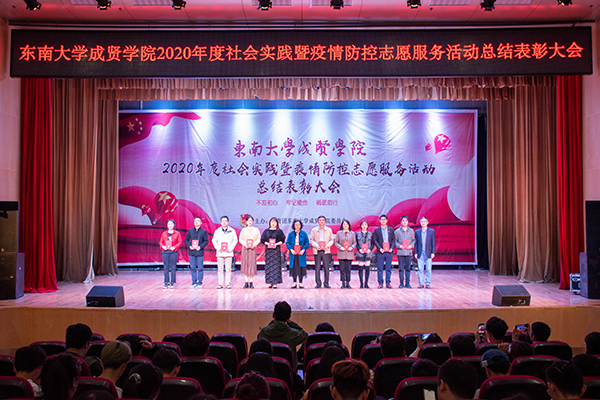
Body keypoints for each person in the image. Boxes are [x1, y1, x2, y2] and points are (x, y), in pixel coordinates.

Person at [258, 301, 308, 369]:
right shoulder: (294, 334)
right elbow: (304, 334)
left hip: (269, 369)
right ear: (289, 316)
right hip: (289, 371)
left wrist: (272, 322)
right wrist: (290, 322)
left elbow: (259, 337)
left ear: (273, 314)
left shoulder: (264, 332)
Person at [212, 215, 238, 289]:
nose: (224, 222)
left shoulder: (232, 231)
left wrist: (230, 248)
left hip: (228, 253)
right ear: (220, 222)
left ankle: (228, 283)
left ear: (228, 222)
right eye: (222, 221)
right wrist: (218, 248)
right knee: (220, 269)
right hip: (220, 253)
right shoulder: (217, 231)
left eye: (225, 221)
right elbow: (214, 240)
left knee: (228, 269)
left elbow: (235, 240)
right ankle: (220, 284)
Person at [309, 215, 334, 289]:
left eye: (323, 220)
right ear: (318, 221)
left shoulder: (329, 230)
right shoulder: (314, 230)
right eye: (320, 220)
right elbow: (311, 240)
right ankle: (318, 283)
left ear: (325, 221)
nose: (321, 221)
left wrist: (327, 246)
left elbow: (331, 240)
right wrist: (316, 246)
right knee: (317, 268)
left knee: (326, 267)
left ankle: (326, 283)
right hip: (317, 250)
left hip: (326, 250)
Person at [185, 216, 209, 289]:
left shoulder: (203, 231)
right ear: (193, 222)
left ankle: (200, 282)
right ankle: (193, 282)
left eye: (198, 221)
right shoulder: (190, 231)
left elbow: (206, 241)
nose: (197, 222)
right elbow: (186, 240)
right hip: (192, 252)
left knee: (200, 268)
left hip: (199, 252)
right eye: (195, 221)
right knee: (193, 268)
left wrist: (200, 247)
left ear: (201, 223)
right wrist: (189, 246)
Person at [261, 217, 286, 289]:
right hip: (268, 251)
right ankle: (270, 282)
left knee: (276, 266)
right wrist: (267, 243)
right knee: (269, 266)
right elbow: (262, 240)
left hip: (276, 250)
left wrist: (276, 244)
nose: (273, 223)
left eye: (275, 222)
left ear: (277, 223)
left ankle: (275, 283)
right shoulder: (266, 231)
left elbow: (282, 240)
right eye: (272, 222)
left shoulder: (279, 231)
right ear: (269, 223)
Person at [372, 214, 395, 289]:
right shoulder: (377, 230)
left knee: (388, 268)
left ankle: (388, 283)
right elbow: (375, 240)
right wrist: (379, 248)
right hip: (380, 252)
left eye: (384, 219)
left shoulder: (391, 230)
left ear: (387, 220)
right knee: (380, 268)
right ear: (380, 221)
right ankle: (380, 283)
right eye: (382, 219)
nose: (383, 221)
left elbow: (393, 240)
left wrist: (391, 248)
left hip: (389, 251)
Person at [159, 218, 183, 289]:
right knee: (166, 267)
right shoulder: (164, 233)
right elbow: (160, 242)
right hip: (165, 251)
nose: (170, 225)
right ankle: (166, 282)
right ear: (167, 225)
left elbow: (180, 242)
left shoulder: (177, 233)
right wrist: (163, 246)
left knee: (173, 267)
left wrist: (174, 247)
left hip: (173, 252)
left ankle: (172, 282)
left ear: (174, 225)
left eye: (171, 224)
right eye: (169, 224)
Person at [286, 219, 310, 289]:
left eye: (298, 224)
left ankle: (300, 282)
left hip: (301, 253)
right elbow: (287, 243)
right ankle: (294, 282)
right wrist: (291, 250)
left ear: (301, 225)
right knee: (294, 268)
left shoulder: (304, 233)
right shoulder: (290, 234)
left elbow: (307, 243)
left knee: (301, 268)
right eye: (296, 225)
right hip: (293, 253)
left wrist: (303, 250)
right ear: (293, 226)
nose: (297, 226)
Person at [239, 215, 261, 288]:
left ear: (253, 221)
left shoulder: (256, 230)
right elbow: (240, 239)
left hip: (252, 248)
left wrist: (253, 244)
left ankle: (251, 282)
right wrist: (245, 244)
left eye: (251, 220)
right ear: (246, 222)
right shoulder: (243, 230)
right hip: (245, 248)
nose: (249, 222)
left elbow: (258, 239)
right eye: (248, 221)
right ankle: (246, 282)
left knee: (251, 264)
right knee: (245, 264)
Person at [414, 216, 435, 289]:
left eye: (424, 221)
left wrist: (433, 252)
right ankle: (421, 283)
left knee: (428, 269)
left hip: (428, 252)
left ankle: (428, 283)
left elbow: (433, 242)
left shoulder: (431, 231)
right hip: (420, 252)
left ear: (427, 222)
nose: (423, 223)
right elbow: (416, 243)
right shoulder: (417, 232)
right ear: (420, 223)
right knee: (420, 269)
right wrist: (415, 252)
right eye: (422, 221)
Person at [334, 219, 356, 289]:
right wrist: (340, 247)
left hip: (349, 253)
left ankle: (348, 283)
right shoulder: (339, 233)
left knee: (348, 269)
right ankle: (343, 283)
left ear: (349, 225)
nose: (345, 225)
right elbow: (336, 242)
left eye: (346, 224)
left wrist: (351, 247)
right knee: (342, 269)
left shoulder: (352, 233)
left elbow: (354, 242)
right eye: (344, 224)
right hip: (341, 253)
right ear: (342, 225)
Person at [394, 215, 415, 288]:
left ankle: (408, 283)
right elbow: (395, 241)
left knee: (408, 268)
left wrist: (411, 246)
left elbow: (413, 240)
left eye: (406, 220)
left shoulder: (411, 231)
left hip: (408, 252)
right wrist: (399, 246)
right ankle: (401, 283)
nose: (404, 222)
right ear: (401, 222)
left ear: (408, 222)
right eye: (403, 220)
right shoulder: (397, 231)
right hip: (400, 252)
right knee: (401, 269)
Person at [355, 220, 373, 289]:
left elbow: (373, 243)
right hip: (360, 253)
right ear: (361, 226)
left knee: (367, 269)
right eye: (363, 225)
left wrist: (370, 249)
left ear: (367, 226)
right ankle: (361, 283)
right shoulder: (358, 234)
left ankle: (366, 283)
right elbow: (356, 243)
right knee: (360, 269)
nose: (364, 226)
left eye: (365, 224)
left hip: (368, 253)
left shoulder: (371, 234)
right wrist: (359, 249)